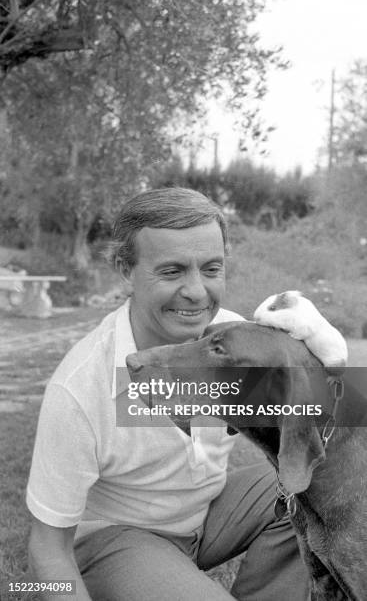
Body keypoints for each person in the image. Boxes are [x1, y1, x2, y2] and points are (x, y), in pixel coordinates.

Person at [27, 188, 311, 600]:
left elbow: (332, 409)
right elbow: (47, 546)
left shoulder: (235, 342)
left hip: (208, 516)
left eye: (211, 269)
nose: (197, 292)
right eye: (173, 271)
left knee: (315, 483)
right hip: (117, 541)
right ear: (127, 270)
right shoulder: (79, 387)